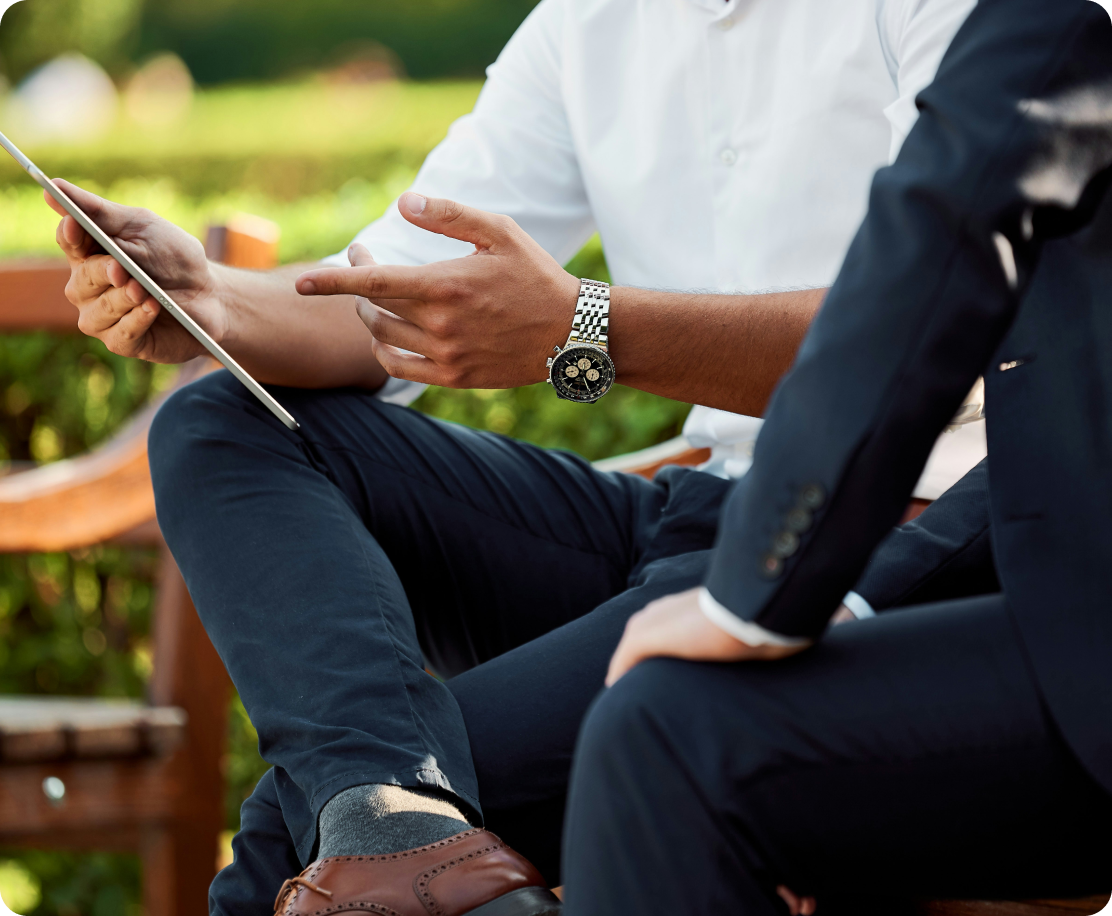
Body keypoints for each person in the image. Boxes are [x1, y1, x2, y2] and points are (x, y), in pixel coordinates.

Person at [45, 0, 984, 912]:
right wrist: (209, 299)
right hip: (693, 513)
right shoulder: (588, 22)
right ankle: (394, 818)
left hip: (889, 540)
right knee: (222, 423)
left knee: (297, 840)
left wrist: (585, 327)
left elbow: (930, 331)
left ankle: (389, 824)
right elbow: (391, 296)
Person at [558, 1, 1112, 913]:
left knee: (663, 735)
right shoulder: (580, 25)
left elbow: (942, 239)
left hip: (969, 593)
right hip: (721, 520)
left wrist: (756, 596)